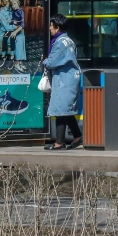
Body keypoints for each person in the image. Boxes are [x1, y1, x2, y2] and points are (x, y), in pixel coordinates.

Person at [41, 13, 82, 151]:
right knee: (66, 109)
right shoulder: (69, 41)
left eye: (51, 26)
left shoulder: (60, 44)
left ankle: (59, 143)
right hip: (68, 78)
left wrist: (44, 61)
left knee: (60, 110)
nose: (49, 28)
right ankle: (77, 136)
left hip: (65, 80)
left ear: (57, 27)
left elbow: (51, 62)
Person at [9, 0, 26, 71]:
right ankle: (17, 63)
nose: (14, 6)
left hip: (17, 31)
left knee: (21, 38)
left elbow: (22, 25)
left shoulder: (21, 12)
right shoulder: (12, 12)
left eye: (15, 4)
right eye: (12, 4)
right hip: (11, 30)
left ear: (18, 3)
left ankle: (19, 62)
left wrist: (15, 32)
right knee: (19, 39)